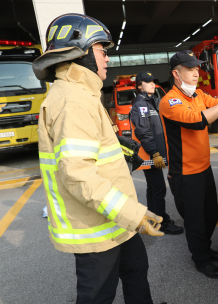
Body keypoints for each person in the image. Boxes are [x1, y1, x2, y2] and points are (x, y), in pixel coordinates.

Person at [32, 14, 166, 304]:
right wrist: (135, 214)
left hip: (114, 219)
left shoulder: (82, 94)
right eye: (102, 50)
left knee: (135, 269)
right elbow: (79, 174)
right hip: (95, 228)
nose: (107, 58)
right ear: (80, 54)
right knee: (97, 295)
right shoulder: (73, 101)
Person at [159, 50, 218, 278]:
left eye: (197, 68)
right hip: (185, 174)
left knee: (208, 215)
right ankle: (200, 259)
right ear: (176, 74)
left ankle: (205, 250)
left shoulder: (198, 95)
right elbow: (198, 122)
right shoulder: (170, 101)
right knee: (195, 221)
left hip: (204, 169)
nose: (196, 73)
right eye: (190, 69)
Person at [130, 71, 184, 235]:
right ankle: (163, 222)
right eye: (148, 82)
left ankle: (154, 220)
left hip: (152, 154)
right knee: (159, 188)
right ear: (139, 86)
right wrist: (154, 152)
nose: (153, 84)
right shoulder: (141, 104)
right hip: (149, 155)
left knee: (153, 188)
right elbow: (143, 131)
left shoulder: (152, 102)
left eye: (153, 81)